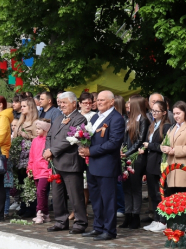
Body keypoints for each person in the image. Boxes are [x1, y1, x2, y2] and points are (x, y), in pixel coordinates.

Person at [79, 90, 125, 240]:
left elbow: (113, 143)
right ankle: (98, 227)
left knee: (108, 200)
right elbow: (89, 137)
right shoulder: (95, 117)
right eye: (97, 100)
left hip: (107, 165)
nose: (98, 102)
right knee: (96, 199)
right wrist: (83, 147)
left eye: (102, 100)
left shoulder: (116, 119)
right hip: (93, 165)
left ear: (112, 102)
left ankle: (109, 230)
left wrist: (91, 151)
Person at [43, 92, 88, 233]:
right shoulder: (58, 118)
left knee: (75, 195)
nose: (61, 105)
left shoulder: (79, 119)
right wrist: (47, 150)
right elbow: (49, 136)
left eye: (64, 102)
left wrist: (52, 151)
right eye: (60, 103)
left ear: (74, 103)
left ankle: (80, 222)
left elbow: (70, 139)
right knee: (57, 195)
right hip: (56, 162)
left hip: (70, 163)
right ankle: (61, 221)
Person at [119, 96, 150, 229]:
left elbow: (140, 140)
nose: (128, 105)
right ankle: (128, 215)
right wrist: (122, 150)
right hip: (125, 156)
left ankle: (135, 215)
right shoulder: (127, 119)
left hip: (136, 157)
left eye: (130, 103)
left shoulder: (143, 120)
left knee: (135, 187)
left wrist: (128, 152)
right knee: (126, 187)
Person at [142, 101, 172, 232]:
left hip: (159, 162)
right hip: (150, 162)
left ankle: (163, 220)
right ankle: (156, 218)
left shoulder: (166, 126)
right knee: (153, 193)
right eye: (152, 111)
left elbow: (165, 146)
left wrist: (150, 146)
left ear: (164, 112)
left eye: (157, 111)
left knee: (160, 193)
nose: (154, 113)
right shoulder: (153, 125)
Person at [13, 96, 39, 218]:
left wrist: (27, 136)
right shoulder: (20, 121)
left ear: (31, 107)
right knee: (21, 182)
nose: (22, 108)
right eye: (21, 106)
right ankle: (23, 205)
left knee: (29, 183)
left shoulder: (35, 123)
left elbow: (39, 139)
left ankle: (31, 208)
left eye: (24, 106)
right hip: (19, 156)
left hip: (30, 157)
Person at [28, 119, 52, 224]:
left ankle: (39, 212)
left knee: (40, 191)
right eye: (36, 128)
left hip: (45, 170)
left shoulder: (49, 141)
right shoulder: (35, 140)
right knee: (41, 193)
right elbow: (31, 156)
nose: (36, 130)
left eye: (39, 129)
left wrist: (50, 170)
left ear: (45, 129)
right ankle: (46, 214)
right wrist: (29, 168)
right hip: (36, 170)